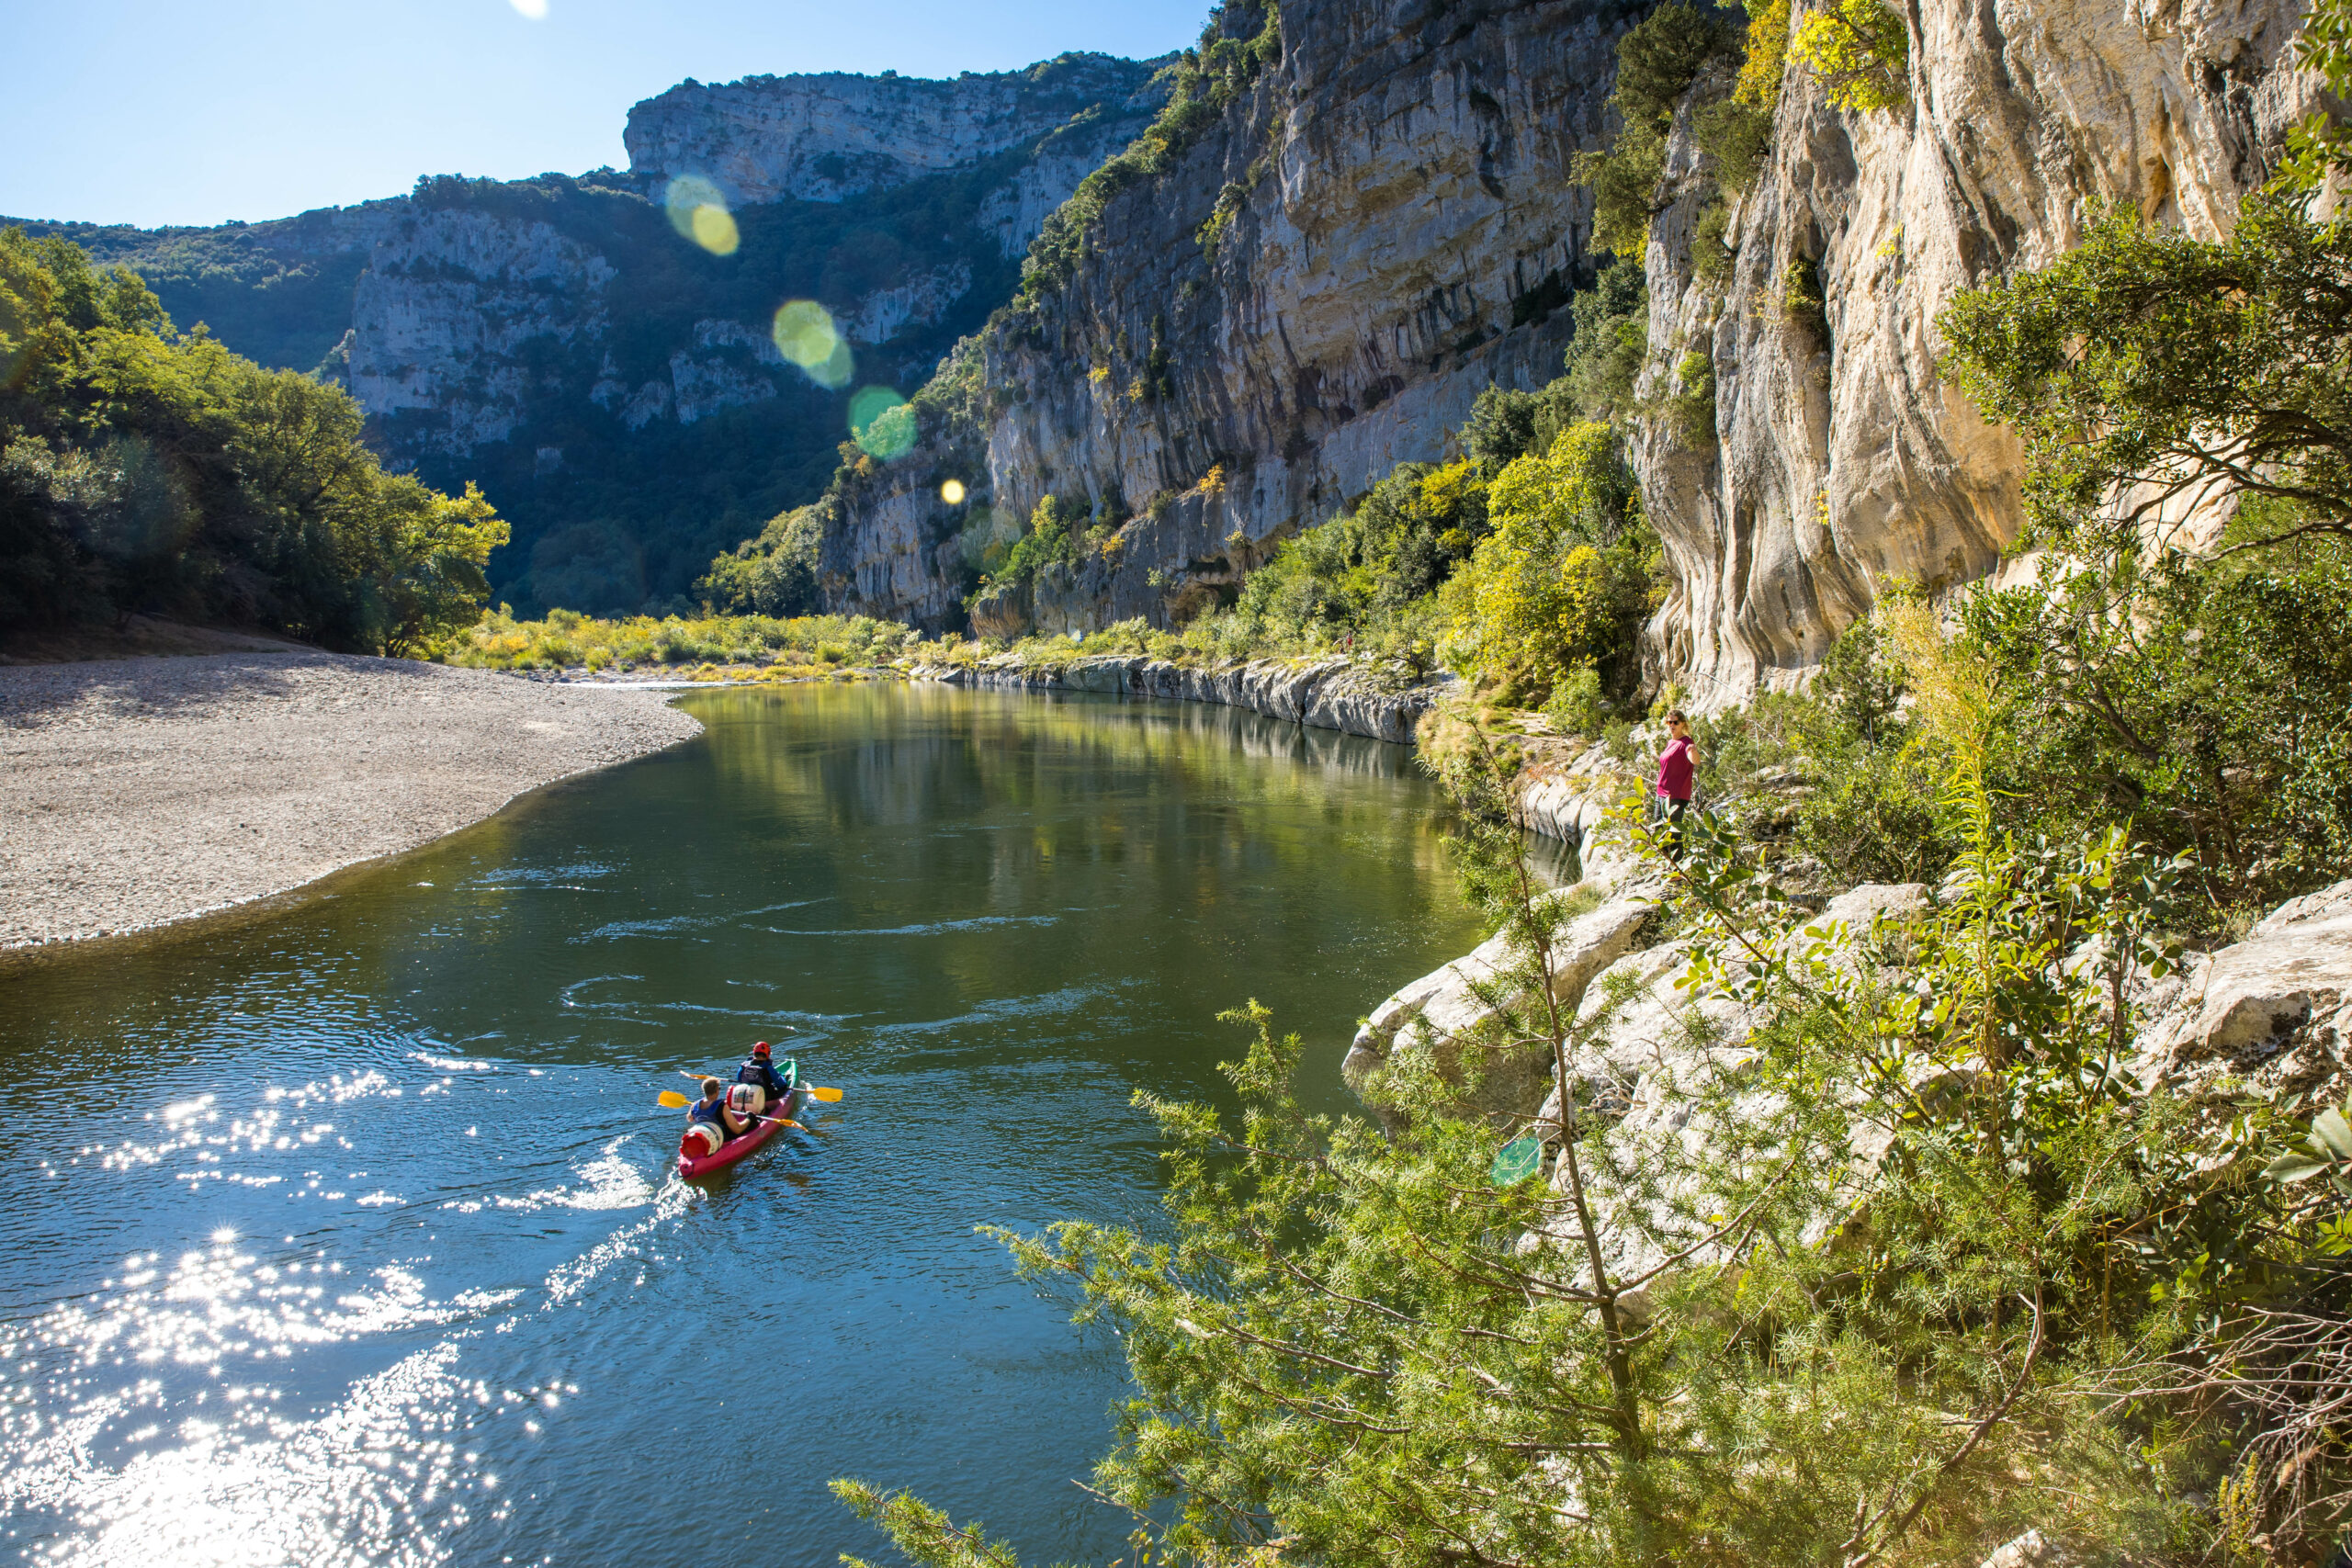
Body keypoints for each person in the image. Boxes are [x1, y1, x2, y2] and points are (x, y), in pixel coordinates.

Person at [1655, 709, 1696, 863]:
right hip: (1661, 793)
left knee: (1673, 832)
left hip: (1675, 795)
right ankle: (1668, 864)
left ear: (1682, 724)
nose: (1671, 725)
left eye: (1675, 722)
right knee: (1659, 830)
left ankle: (1677, 869)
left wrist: (1693, 752)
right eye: (1669, 722)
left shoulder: (1687, 743)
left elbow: (1695, 760)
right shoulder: (1670, 742)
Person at [736, 1042, 792, 1107]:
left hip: (747, 1096)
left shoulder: (743, 1066)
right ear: (767, 1054)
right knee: (785, 1089)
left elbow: (739, 1080)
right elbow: (781, 1085)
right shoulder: (768, 1068)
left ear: (754, 1052)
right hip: (765, 1098)